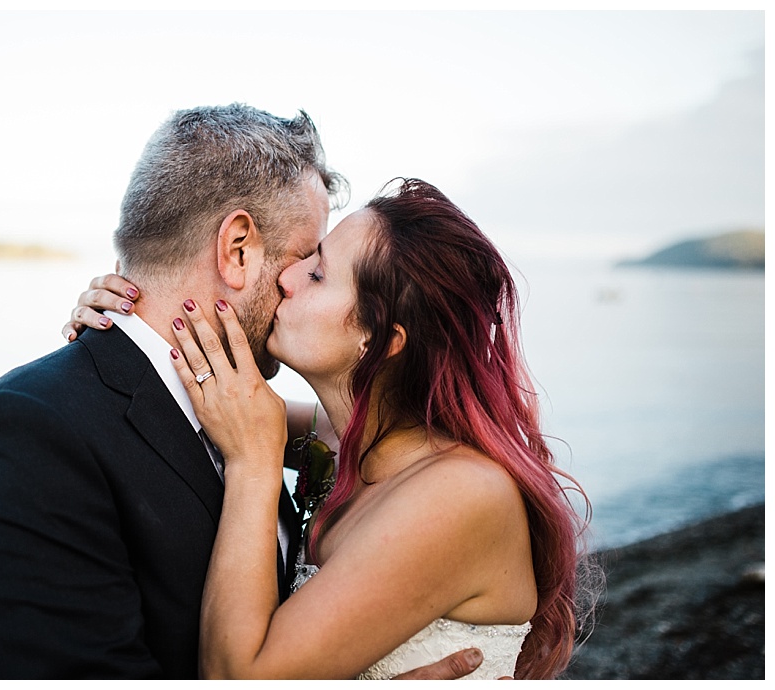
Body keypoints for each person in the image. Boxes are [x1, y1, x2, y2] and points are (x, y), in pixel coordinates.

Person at [0, 104, 485, 679]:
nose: (296, 282)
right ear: (237, 248)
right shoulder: (28, 436)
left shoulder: (252, 419)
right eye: (304, 257)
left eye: (316, 270)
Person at [67, 178, 596, 679]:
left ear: (381, 341)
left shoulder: (460, 493)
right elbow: (218, 400)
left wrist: (254, 464)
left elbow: (237, 677)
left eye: (317, 273)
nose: (285, 277)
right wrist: (127, 321)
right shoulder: (347, 440)